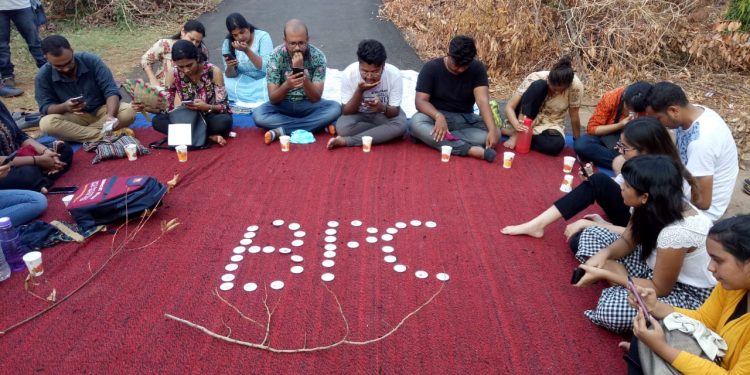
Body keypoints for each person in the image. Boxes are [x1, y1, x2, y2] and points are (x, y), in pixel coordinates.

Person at [574, 155, 716, 333]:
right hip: (652, 265)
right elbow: (628, 240)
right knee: (591, 235)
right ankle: (625, 282)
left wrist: (604, 272)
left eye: (626, 186)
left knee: (611, 311)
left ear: (645, 196)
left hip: (685, 291)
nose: (621, 188)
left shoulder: (678, 232)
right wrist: (605, 254)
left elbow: (661, 288)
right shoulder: (651, 203)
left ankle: (620, 282)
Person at [501, 117, 696, 241]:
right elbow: (619, 187)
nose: (619, 150)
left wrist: (598, 225)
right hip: (633, 220)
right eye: (619, 144)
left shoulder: (666, 179)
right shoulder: (639, 166)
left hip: (647, 236)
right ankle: (537, 224)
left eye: (624, 147)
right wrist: (593, 181)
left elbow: (649, 236)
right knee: (599, 180)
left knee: (579, 242)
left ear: (646, 150)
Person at [630, 214, 750, 374]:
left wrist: (661, 349)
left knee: (646, 344)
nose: (710, 267)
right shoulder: (732, 285)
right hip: (716, 360)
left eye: (718, 260)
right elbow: (705, 320)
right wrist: (654, 306)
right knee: (644, 336)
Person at [646, 81, 739, 222]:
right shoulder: (697, 111)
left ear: (673, 111)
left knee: (641, 192)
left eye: (659, 119)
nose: (659, 124)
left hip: (702, 212)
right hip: (687, 180)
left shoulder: (701, 142)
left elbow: (703, 202)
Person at [409, 35, 498, 162]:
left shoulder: (477, 68)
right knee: (416, 122)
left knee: (494, 132)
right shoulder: (431, 68)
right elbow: (420, 101)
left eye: (465, 66)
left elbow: (482, 101)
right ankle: (470, 150)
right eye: (457, 64)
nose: (461, 69)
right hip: (435, 117)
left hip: (465, 119)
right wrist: (438, 116)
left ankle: (434, 138)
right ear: (448, 55)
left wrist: (493, 130)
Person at [252, 19, 341, 144]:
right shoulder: (275, 57)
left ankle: (280, 131)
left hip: (308, 105)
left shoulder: (318, 56)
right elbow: (273, 99)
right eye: (292, 43)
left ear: (307, 39)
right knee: (258, 115)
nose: (297, 48)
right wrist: (287, 85)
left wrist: (300, 73)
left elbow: (316, 98)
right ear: (284, 41)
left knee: (335, 108)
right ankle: (318, 126)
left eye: (301, 43)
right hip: (283, 105)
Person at [35, 35, 136, 143]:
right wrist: (65, 106)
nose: (66, 68)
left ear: (72, 51)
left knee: (128, 111)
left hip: (102, 111)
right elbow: (45, 107)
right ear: (46, 58)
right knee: (46, 124)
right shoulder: (43, 75)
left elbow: (111, 90)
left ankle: (79, 135)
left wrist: (110, 116)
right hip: (74, 117)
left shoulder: (91, 60)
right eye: (59, 66)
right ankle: (104, 136)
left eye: (69, 62)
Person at [133, 40, 232, 146]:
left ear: (197, 58)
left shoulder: (213, 71)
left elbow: (224, 107)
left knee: (224, 121)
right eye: (181, 67)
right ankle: (207, 136)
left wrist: (206, 106)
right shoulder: (173, 73)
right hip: (186, 117)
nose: (186, 70)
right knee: (157, 121)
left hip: (208, 116)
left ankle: (187, 136)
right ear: (175, 63)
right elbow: (167, 107)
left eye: (189, 65)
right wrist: (145, 107)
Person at [327, 39, 406, 150]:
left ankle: (347, 141)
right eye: (364, 71)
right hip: (359, 114)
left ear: (383, 66)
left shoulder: (394, 74)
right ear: (359, 64)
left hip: (383, 114)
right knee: (342, 128)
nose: (369, 77)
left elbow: (394, 111)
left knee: (401, 125)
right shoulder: (349, 73)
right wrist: (360, 91)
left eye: (374, 72)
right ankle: (384, 133)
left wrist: (381, 108)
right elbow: (346, 111)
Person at [502, 57, 583, 155]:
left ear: (567, 87)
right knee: (539, 85)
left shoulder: (575, 86)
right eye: (552, 88)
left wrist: (578, 142)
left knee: (555, 146)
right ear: (549, 79)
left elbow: (574, 115)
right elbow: (509, 107)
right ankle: (518, 134)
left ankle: (519, 135)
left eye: (559, 90)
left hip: (549, 123)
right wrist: (516, 125)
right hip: (523, 118)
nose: (554, 92)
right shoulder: (536, 77)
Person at [574, 81, 652, 169]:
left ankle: (626, 164)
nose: (629, 111)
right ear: (624, 95)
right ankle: (627, 166)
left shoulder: (649, 108)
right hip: (606, 134)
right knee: (581, 145)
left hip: (630, 142)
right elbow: (592, 129)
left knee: (643, 156)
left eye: (633, 110)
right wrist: (620, 125)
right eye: (627, 106)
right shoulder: (612, 97)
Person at [0, 100, 72, 192]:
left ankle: (41, 181)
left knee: (64, 149)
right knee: (29, 173)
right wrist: (38, 160)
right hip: (6, 169)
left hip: (21, 156)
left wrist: (46, 152)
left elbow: (19, 136)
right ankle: (41, 178)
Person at [141, 20, 208, 89]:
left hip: (187, 90)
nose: (193, 43)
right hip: (163, 88)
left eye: (197, 42)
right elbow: (145, 60)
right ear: (183, 32)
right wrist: (153, 80)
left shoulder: (202, 50)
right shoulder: (165, 44)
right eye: (191, 39)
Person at [222, 13, 273, 105]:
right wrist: (230, 67)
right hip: (242, 81)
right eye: (235, 35)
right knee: (223, 81)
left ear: (248, 28)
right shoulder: (228, 42)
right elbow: (230, 75)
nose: (240, 37)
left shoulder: (263, 37)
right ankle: (254, 99)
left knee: (275, 83)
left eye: (242, 32)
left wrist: (246, 51)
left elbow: (267, 68)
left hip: (263, 79)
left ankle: (244, 98)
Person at [0, 0, 47, 96]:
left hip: (22, 6)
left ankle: (47, 70)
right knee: (2, 46)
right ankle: (7, 76)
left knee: (34, 41)